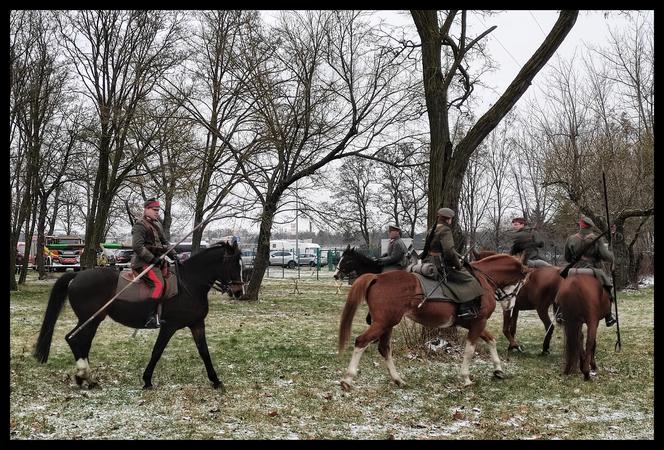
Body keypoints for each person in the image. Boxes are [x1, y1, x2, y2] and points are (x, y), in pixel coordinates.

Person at [424, 208, 485, 319]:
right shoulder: (445, 230)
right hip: (441, 264)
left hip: (430, 261)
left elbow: (434, 249)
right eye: (451, 218)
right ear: (448, 219)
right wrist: (457, 264)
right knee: (469, 280)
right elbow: (448, 251)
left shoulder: (432, 229)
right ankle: (464, 310)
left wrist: (458, 256)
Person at [562, 214, 617, 327]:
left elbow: (567, 258)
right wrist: (611, 253)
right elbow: (608, 257)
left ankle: (560, 311)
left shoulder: (571, 239)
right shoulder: (597, 239)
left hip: (574, 270)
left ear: (581, 226)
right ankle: (608, 316)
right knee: (607, 286)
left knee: (561, 285)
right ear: (590, 227)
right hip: (592, 270)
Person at [131, 198, 177, 328]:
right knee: (158, 284)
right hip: (143, 262)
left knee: (169, 281)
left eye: (158, 210)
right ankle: (149, 316)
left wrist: (173, 254)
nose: (157, 212)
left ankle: (161, 314)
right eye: (154, 210)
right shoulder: (140, 225)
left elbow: (164, 243)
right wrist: (152, 259)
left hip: (157, 262)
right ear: (146, 209)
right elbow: (138, 247)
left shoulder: (157, 225)